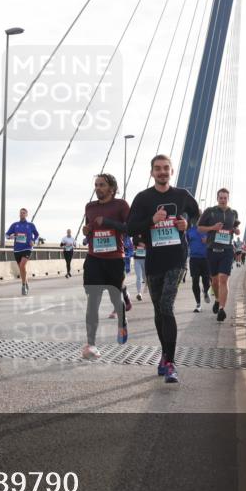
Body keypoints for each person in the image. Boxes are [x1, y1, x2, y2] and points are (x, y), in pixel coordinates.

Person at [127, 155, 200, 383]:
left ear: (172, 171)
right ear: (152, 173)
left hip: (177, 258)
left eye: (165, 168)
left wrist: (187, 224)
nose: (162, 172)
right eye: (157, 169)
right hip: (154, 260)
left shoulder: (182, 195)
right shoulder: (143, 198)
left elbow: (197, 214)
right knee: (159, 311)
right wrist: (151, 220)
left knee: (167, 305)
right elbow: (130, 228)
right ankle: (165, 355)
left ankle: (170, 361)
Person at [82, 173, 130, 359]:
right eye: (96, 184)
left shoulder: (121, 205)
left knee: (114, 297)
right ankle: (91, 344)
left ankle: (122, 320)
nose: (98, 188)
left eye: (101, 185)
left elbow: (130, 228)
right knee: (92, 301)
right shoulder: (90, 207)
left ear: (111, 188)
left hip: (114, 259)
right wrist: (86, 230)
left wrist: (108, 222)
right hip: (94, 258)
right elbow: (88, 229)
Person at [197, 188, 241, 323]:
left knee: (223, 279)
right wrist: (212, 228)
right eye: (221, 198)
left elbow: (234, 228)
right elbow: (199, 228)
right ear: (217, 198)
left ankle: (222, 309)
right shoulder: (209, 211)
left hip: (227, 250)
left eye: (225, 198)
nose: (223, 200)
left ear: (228, 198)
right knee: (214, 281)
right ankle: (217, 299)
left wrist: (236, 230)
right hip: (212, 250)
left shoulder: (233, 213)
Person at [6, 208, 39, 295]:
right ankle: (26, 283)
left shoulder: (31, 225)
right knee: (21, 268)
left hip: (27, 248)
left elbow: (37, 235)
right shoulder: (15, 225)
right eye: (20, 213)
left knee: (22, 265)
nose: (22, 214)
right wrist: (11, 236)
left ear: (26, 214)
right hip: (17, 249)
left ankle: (23, 285)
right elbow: (6, 235)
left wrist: (34, 241)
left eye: (24, 213)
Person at [186, 224, 211, 312]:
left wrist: (208, 240)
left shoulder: (208, 229)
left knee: (206, 281)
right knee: (195, 280)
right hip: (194, 259)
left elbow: (215, 241)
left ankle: (205, 291)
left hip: (206, 259)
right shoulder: (190, 231)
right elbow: (185, 243)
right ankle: (198, 304)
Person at [133, 236, 147, 300]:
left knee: (145, 277)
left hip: (145, 259)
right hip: (137, 259)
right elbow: (134, 243)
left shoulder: (146, 233)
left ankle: (148, 288)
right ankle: (139, 293)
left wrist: (144, 245)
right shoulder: (135, 235)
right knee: (138, 277)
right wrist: (139, 244)